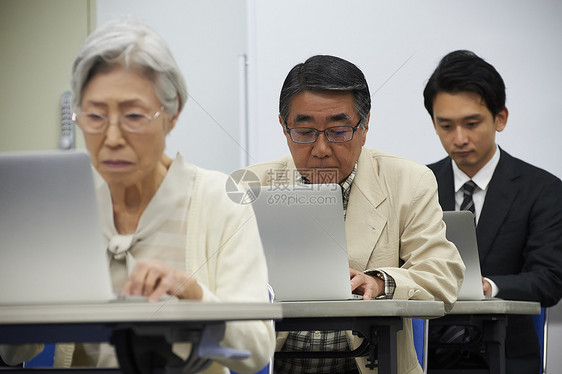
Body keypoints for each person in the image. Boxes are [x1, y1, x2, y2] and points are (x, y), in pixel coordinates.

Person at [0, 19, 275, 374]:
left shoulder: (219, 201)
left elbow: (256, 351)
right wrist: (19, 284)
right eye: (95, 116)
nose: (112, 137)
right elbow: (12, 352)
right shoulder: (58, 209)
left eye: (132, 115)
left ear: (172, 115)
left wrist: (194, 296)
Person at [246, 55, 465, 374]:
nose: (321, 149)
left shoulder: (408, 181)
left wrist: (380, 282)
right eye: (305, 132)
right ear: (284, 125)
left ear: (364, 127)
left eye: (337, 131)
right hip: (276, 365)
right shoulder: (252, 184)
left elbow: (443, 278)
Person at [424, 50, 562, 373]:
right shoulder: (420, 185)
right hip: (426, 355)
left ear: (501, 118)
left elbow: (550, 280)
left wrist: (489, 287)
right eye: (445, 125)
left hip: (505, 356)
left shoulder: (542, 189)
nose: (459, 139)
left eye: (472, 124)